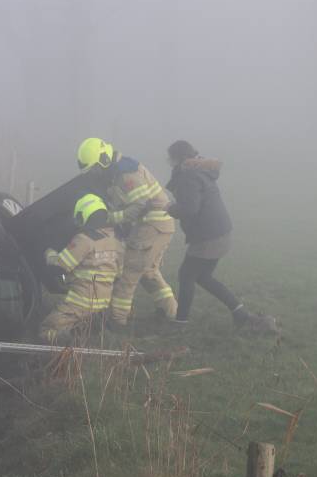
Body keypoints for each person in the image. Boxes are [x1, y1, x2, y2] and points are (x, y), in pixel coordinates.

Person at [165, 140, 277, 332]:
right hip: (221, 232)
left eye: (171, 158)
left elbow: (190, 209)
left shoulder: (188, 176)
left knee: (186, 275)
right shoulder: (199, 171)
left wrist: (169, 208)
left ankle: (180, 324)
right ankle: (241, 315)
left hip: (208, 236)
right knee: (203, 276)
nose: (168, 161)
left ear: (179, 158)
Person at [76, 137, 177, 329]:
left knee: (127, 275)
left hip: (151, 226)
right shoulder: (119, 171)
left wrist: (111, 218)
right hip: (159, 225)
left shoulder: (126, 175)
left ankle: (117, 321)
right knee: (148, 272)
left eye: (96, 169)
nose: (96, 174)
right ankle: (172, 312)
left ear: (104, 160)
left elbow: (141, 206)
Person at [39, 193, 123, 345]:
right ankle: (91, 327)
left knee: (47, 329)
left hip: (80, 303)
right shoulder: (115, 241)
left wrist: (49, 252)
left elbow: (59, 266)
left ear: (84, 215)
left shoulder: (84, 239)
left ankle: (71, 342)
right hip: (103, 304)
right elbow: (118, 274)